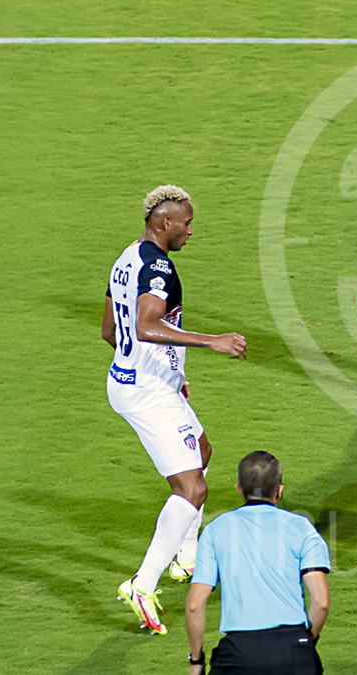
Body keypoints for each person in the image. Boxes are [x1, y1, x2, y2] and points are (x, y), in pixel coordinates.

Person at [102, 184, 247, 635]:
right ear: (165, 223)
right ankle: (142, 585)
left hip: (137, 380)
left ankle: (186, 558)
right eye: (186, 223)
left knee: (200, 451)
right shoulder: (159, 266)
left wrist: (169, 371)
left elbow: (111, 331)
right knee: (191, 489)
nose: (190, 231)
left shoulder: (127, 257)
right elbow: (146, 325)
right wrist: (211, 341)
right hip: (147, 392)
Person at [185, 451, 330, 674]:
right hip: (294, 649)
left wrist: (197, 661)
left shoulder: (215, 530)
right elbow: (321, 603)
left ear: (239, 488)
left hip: (238, 653)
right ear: (279, 491)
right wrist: (305, 641)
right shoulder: (302, 528)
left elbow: (194, 605)